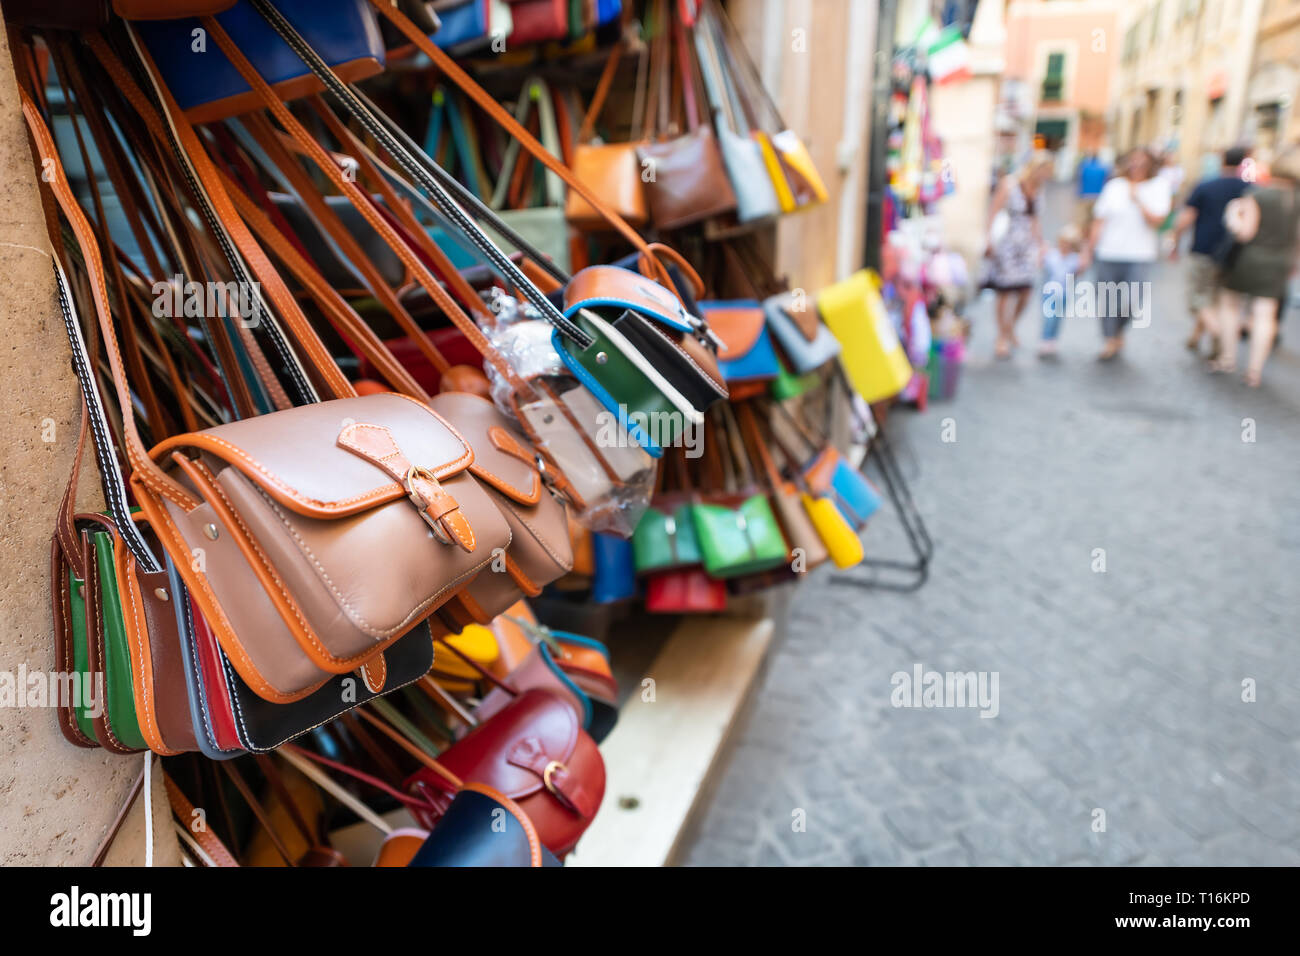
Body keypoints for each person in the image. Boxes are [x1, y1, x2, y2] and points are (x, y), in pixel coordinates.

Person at [1208, 143, 1300, 386]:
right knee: (1265, 314)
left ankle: (1228, 358)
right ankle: (1254, 371)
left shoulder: (1258, 195)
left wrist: (1232, 217)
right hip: (1280, 260)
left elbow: (1245, 233)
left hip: (1249, 258)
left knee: (1230, 305)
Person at [1085, 147, 1172, 360]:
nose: (1136, 165)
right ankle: (1109, 339)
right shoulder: (1114, 186)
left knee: (1133, 300)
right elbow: (1099, 220)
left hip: (1140, 254)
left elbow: (1157, 222)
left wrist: (1138, 200)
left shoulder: (1159, 186)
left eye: (1142, 161)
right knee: (1106, 300)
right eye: (1133, 160)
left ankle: (1118, 330)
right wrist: (1088, 250)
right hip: (1108, 251)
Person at [1170, 146, 1250, 356]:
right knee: (1217, 300)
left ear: (1222, 160)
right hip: (1236, 256)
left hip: (1204, 250)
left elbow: (1186, 218)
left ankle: (1217, 333)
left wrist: (1175, 243)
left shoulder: (1206, 185)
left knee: (1197, 299)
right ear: (1243, 161)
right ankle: (1199, 338)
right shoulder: (1251, 189)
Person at [985, 152, 1053, 359]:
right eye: (1043, 170)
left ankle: (1010, 327)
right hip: (1007, 243)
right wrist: (988, 239)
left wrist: (1041, 244)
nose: (1045, 175)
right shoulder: (1010, 184)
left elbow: (1035, 220)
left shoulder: (1039, 190)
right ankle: (1002, 336)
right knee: (1005, 292)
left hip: (1027, 246)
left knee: (1025, 292)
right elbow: (994, 211)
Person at [1038, 224, 1083, 358]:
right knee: (1049, 317)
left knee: (1057, 317)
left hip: (1063, 293)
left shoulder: (1074, 258)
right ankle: (1045, 339)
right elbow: (1042, 266)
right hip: (1050, 291)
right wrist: (1042, 253)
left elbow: (1077, 272)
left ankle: (1052, 339)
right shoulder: (1052, 255)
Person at [1077, 151, 1109, 227]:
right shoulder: (1103, 167)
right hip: (1098, 195)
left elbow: (1080, 180)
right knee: (1095, 218)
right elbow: (1106, 180)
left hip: (1085, 195)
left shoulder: (1084, 166)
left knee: (1083, 218)